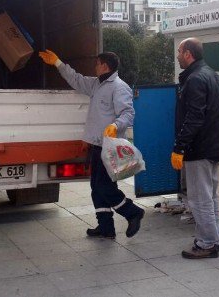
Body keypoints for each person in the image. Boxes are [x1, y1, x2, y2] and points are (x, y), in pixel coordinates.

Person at [39, 49, 145, 239]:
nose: (95, 66)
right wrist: (58, 63)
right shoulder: (97, 84)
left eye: (97, 63)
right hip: (96, 146)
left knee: (104, 187)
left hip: (110, 148)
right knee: (96, 187)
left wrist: (115, 124)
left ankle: (133, 212)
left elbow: (128, 114)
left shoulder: (119, 87)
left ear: (105, 66)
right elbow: (77, 79)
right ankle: (105, 227)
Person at [170, 37, 219, 259]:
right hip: (215, 144)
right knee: (210, 196)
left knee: (199, 198)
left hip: (200, 147)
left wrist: (179, 146)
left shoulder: (195, 79)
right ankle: (213, 238)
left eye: (179, 51)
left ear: (188, 53)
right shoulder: (211, 74)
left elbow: (194, 117)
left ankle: (206, 244)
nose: (177, 56)